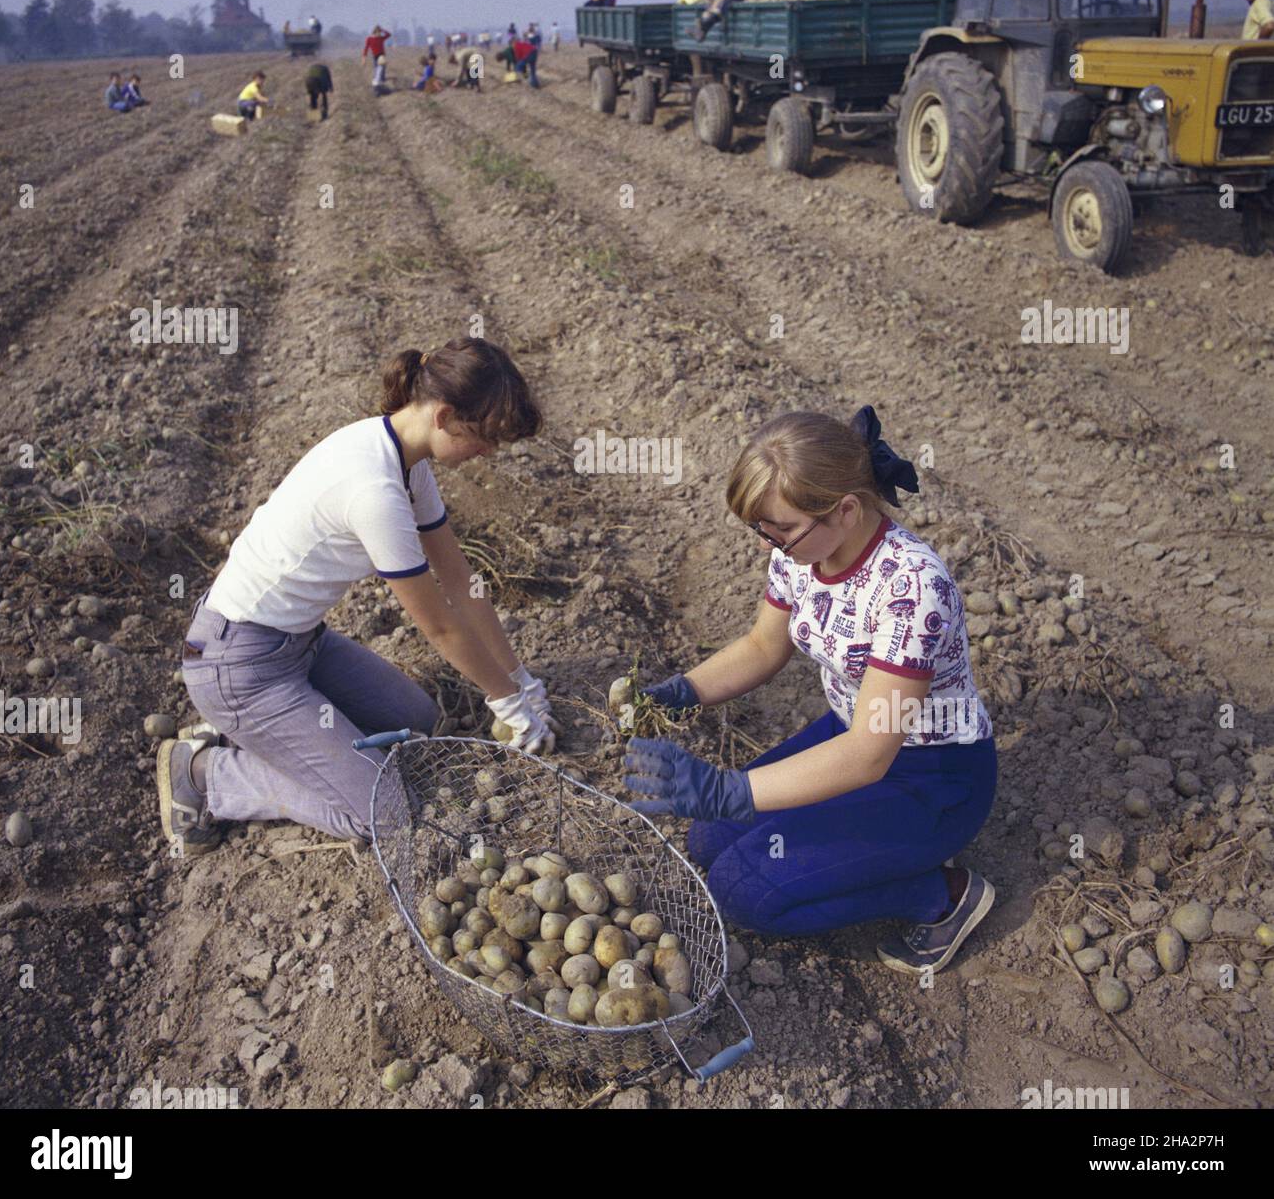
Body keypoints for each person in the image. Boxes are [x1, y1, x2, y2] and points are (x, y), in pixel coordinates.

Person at [624, 408, 997, 975]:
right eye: (760, 530)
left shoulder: (911, 589)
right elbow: (761, 648)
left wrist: (731, 789)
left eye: (779, 530)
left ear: (846, 509)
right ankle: (867, 855)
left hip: (929, 778)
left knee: (742, 888)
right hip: (848, 736)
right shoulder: (803, 554)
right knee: (708, 841)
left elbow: (868, 756)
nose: (768, 545)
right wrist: (679, 693)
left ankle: (940, 895)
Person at [159, 340, 556, 857]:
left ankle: (279, 737)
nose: (488, 454)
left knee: (417, 725)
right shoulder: (374, 491)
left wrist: (519, 679)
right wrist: (506, 701)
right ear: (447, 416)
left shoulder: (407, 463)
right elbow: (440, 625)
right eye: (485, 439)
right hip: (239, 667)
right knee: (385, 811)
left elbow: (461, 583)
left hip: (299, 646)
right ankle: (206, 774)